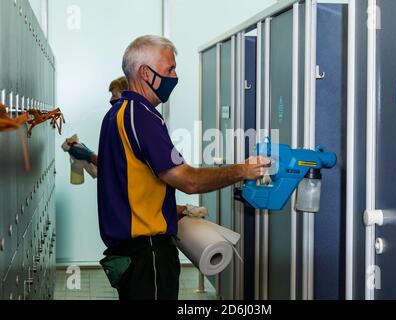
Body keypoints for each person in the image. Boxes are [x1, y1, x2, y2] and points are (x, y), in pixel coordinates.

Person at [78, 35, 269, 301]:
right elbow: (187, 180)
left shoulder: (117, 114)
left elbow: (130, 184)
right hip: (148, 255)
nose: (175, 76)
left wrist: (174, 210)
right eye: (170, 69)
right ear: (146, 72)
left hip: (131, 253)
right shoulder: (142, 115)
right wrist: (243, 170)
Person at [68, 77, 129, 166]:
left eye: (114, 96)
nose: (111, 100)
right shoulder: (117, 120)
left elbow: (118, 166)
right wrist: (89, 154)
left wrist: (89, 155)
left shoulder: (127, 123)